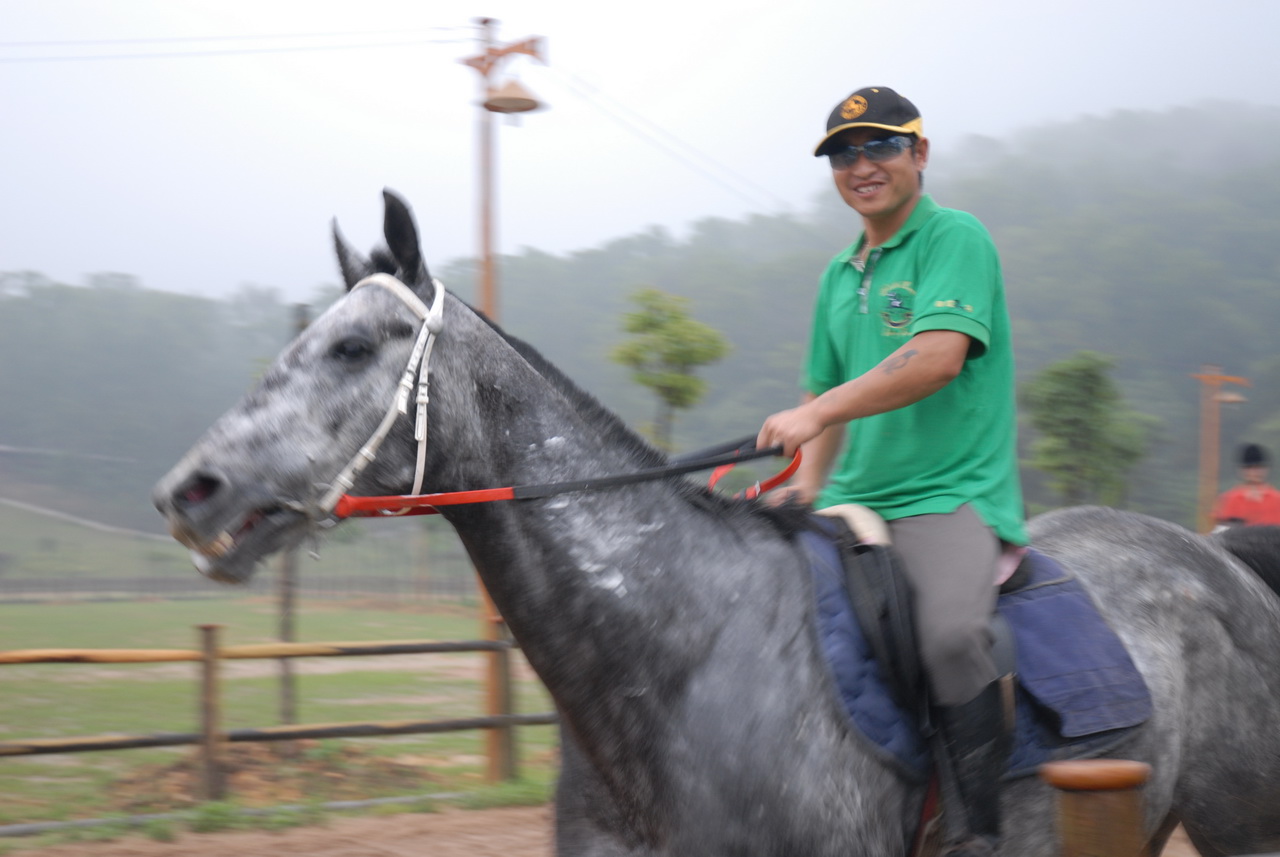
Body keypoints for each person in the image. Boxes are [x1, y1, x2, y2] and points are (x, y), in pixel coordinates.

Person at [757, 86, 1026, 857]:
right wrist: (803, 492)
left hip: (947, 495)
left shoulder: (956, 239)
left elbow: (937, 358)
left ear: (920, 152)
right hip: (851, 499)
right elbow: (824, 404)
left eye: (879, 147)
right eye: (844, 154)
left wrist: (814, 414)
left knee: (948, 635)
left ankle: (978, 829)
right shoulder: (837, 275)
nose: (861, 165)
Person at [1213, 443, 1280, 528]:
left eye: (1258, 468)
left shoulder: (1277, 499)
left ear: (1266, 469)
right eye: (1249, 468)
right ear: (1241, 471)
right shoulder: (1230, 498)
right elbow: (1223, 530)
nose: (1254, 472)